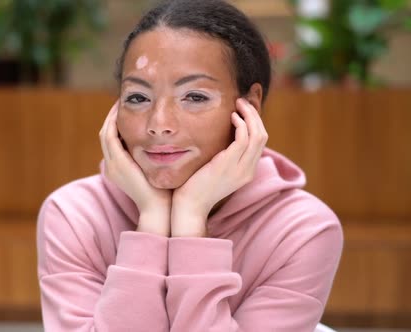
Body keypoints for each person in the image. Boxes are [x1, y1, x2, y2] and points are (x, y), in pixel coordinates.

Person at [36, 0, 343, 331]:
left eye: (195, 97)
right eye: (138, 98)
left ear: (249, 106)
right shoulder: (74, 214)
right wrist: (152, 221)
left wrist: (191, 220)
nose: (159, 123)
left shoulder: (301, 230)